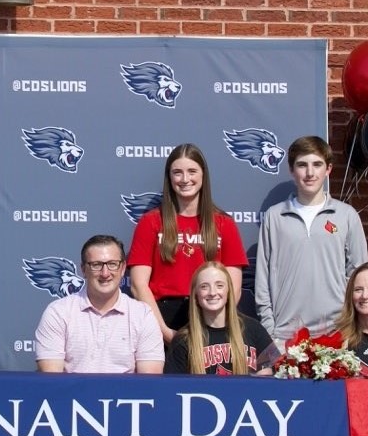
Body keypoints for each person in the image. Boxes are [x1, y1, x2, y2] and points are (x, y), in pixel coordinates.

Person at [128, 143, 247, 345]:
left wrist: (215, 328)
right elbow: (138, 285)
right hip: (163, 319)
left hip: (209, 316)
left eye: (192, 171)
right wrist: (164, 333)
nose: (185, 179)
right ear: (169, 177)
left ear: (203, 175)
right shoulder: (150, 222)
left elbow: (233, 287)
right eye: (177, 172)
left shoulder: (224, 224)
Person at [255, 135, 368, 341]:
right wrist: (269, 328)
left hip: (336, 333)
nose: (309, 173)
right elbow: (262, 278)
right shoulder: (274, 216)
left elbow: (359, 274)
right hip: (285, 335)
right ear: (291, 170)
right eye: (302, 165)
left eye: (317, 164)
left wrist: (350, 325)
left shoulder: (346, 215)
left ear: (328, 170)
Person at [36, 234, 165, 374]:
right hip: (73, 396)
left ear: (122, 269)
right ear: (83, 270)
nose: (105, 273)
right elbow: (51, 380)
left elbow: (149, 383)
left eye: (112, 264)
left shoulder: (143, 315)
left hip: (124, 395)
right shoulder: (58, 312)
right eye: (96, 265)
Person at [165, 261, 278, 375]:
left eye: (219, 285)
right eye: (204, 287)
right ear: (195, 294)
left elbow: (270, 378)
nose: (212, 292)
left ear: (228, 291)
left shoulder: (254, 329)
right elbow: (173, 388)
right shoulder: (183, 340)